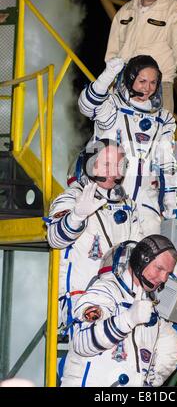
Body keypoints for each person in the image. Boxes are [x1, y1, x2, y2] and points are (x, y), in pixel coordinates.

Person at [46, 139, 143, 334]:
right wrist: (77, 216)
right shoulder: (71, 198)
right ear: (90, 165)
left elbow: (137, 252)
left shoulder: (128, 206)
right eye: (107, 164)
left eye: (119, 166)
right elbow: (55, 238)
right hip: (80, 303)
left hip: (120, 301)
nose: (114, 172)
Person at [61, 234, 177, 387]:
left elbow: (171, 345)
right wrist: (127, 320)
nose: (163, 278)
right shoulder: (104, 291)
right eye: (159, 269)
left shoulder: (151, 309)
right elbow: (81, 341)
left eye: (168, 273)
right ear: (141, 260)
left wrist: (152, 381)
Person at [78, 55, 177, 237]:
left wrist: (171, 203)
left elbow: (167, 163)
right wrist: (107, 75)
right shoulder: (113, 107)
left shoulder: (164, 119)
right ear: (130, 78)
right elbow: (86, 106)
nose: (147, 88)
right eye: (142, 81)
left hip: (147, 202)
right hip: (106, 199)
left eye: (153, 83)